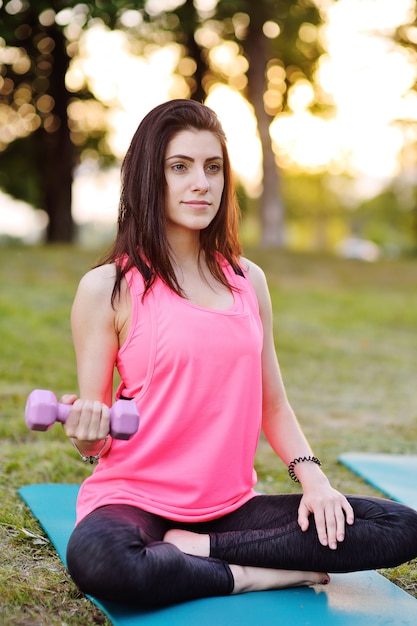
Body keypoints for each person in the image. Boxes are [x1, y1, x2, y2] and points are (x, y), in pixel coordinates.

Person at [62, 99, 417, 607]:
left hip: (227, 510)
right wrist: (85, 433)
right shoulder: (108, 289)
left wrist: (315, 482)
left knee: (397, 525)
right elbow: (95, 438)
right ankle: (258, 574)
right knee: (101, 560)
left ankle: (199, 550)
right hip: (135, 500)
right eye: (179, 167)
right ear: (149, 178)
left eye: (213, 168)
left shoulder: (248, 280)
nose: (201, 183)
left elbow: (273, 401)